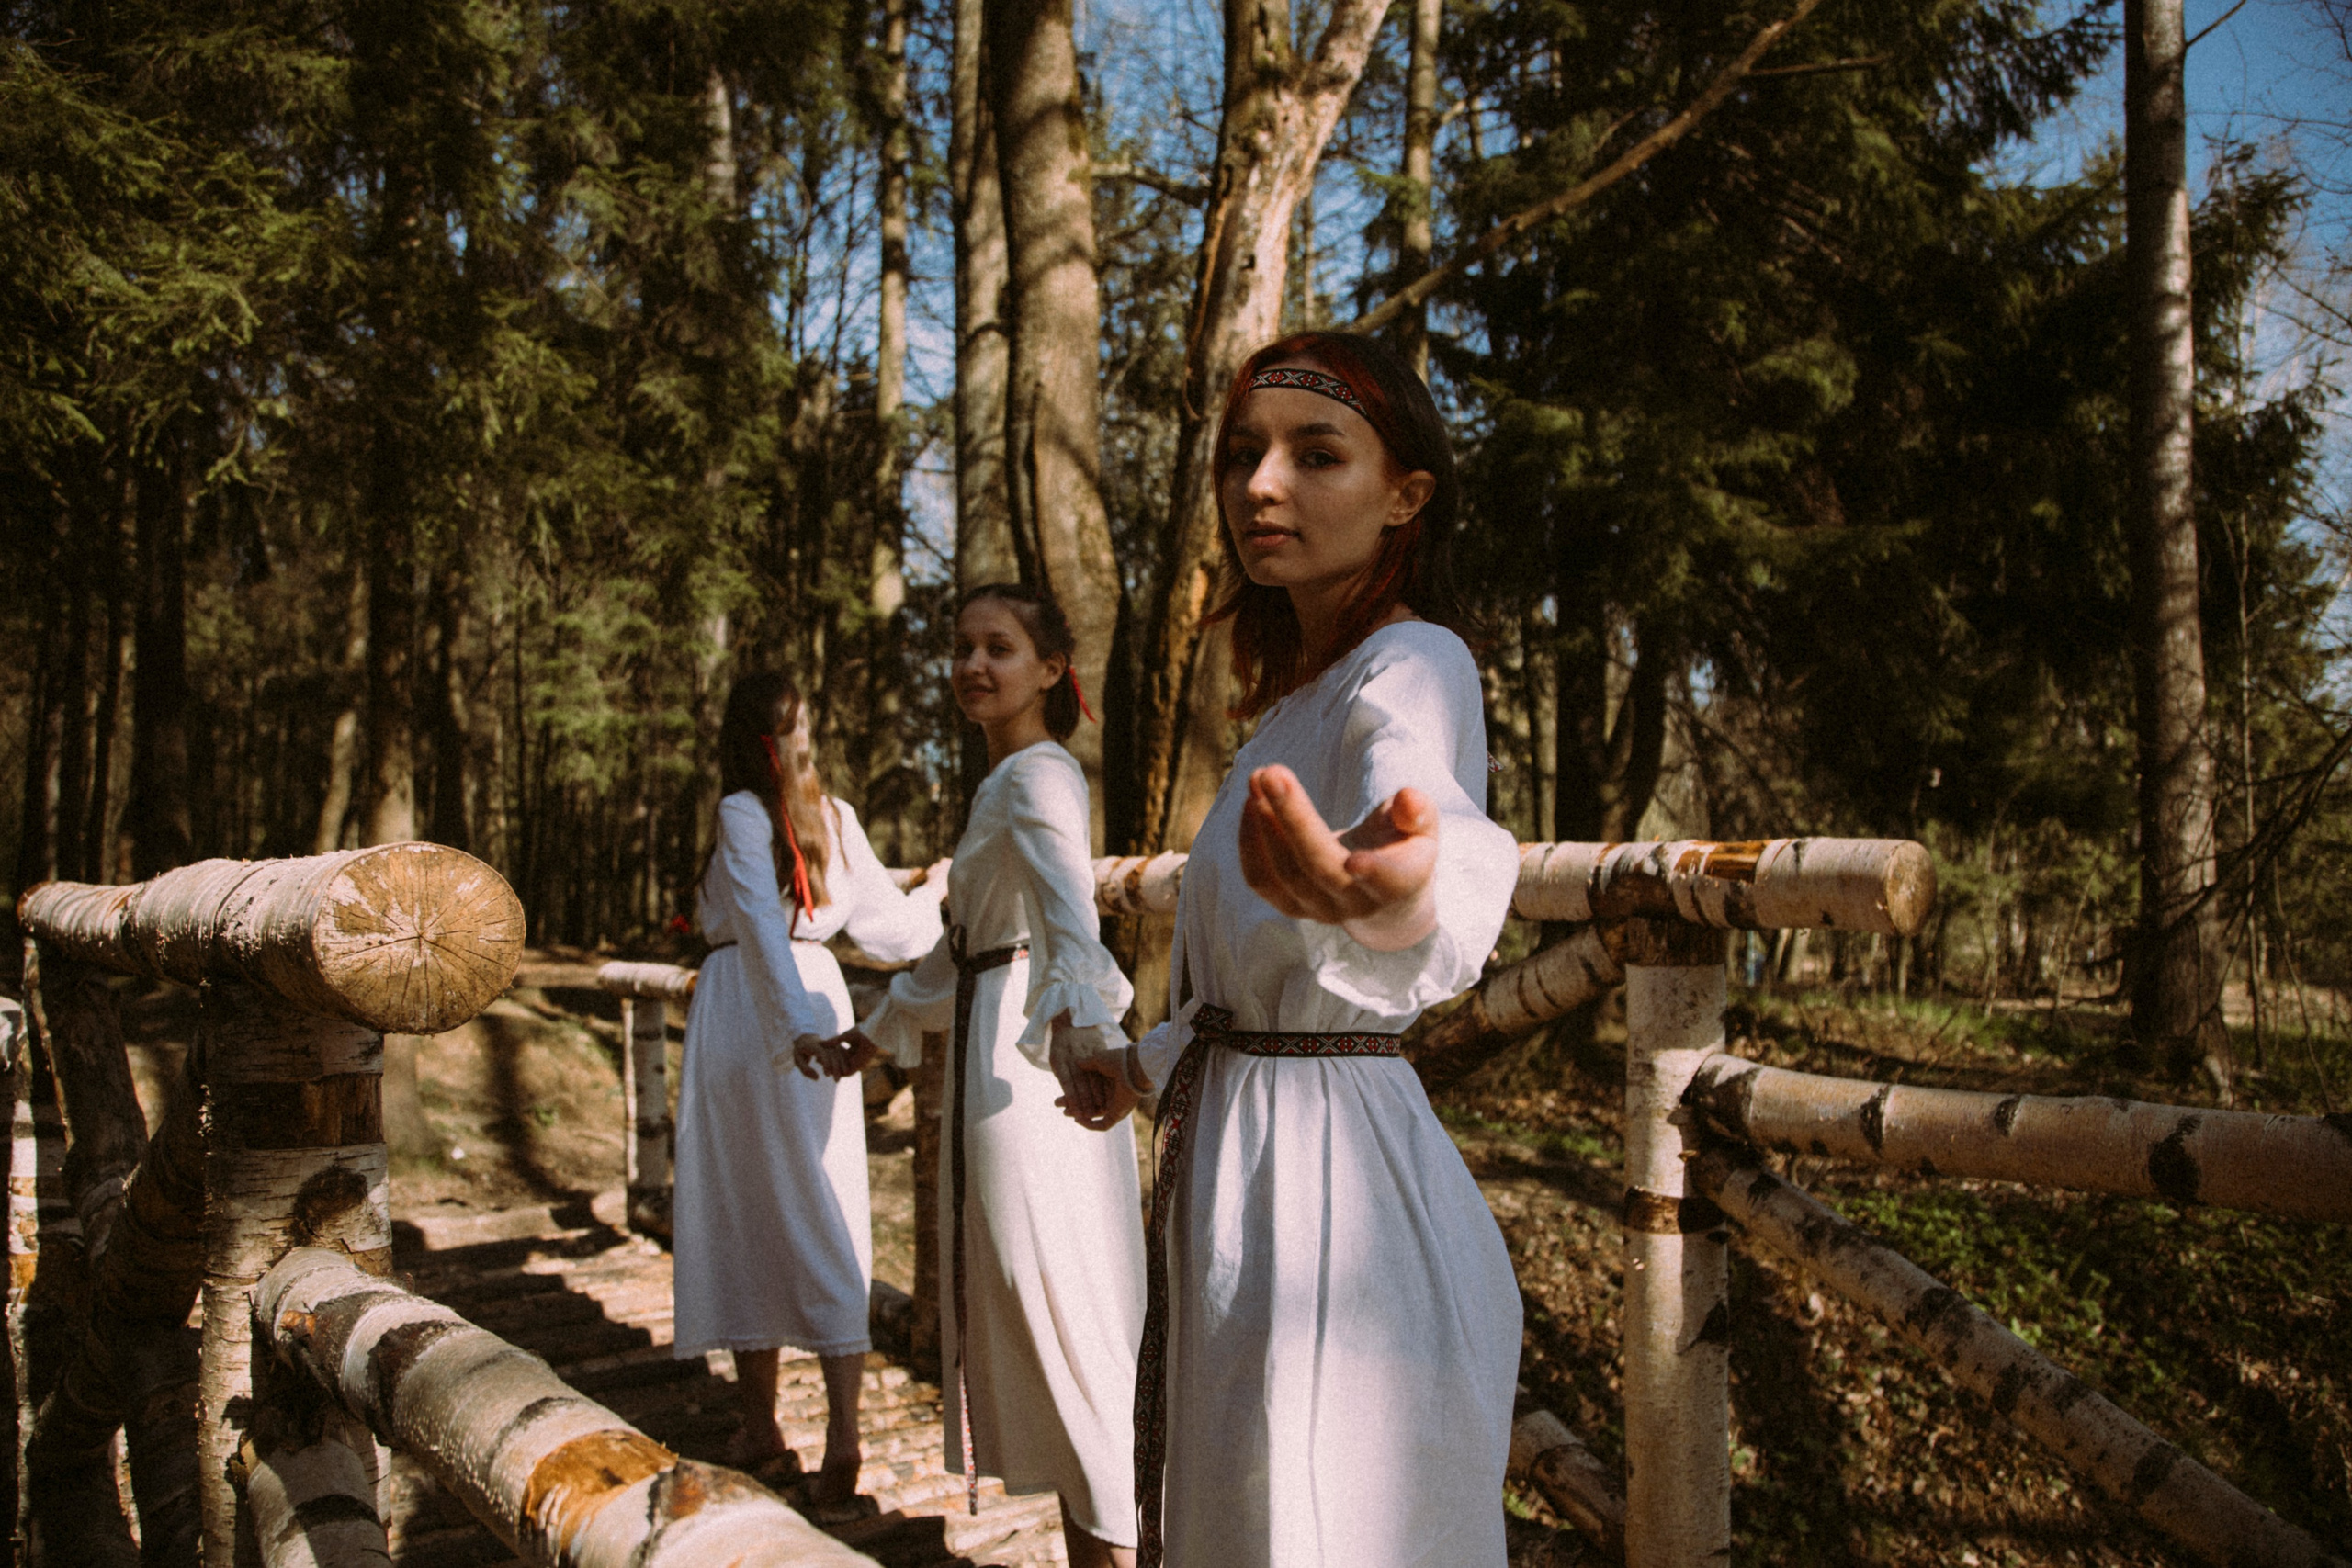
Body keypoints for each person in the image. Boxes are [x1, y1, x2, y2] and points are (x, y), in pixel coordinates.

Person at [1063, 332, 1523, 1567]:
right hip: (1247, 1178)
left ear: (1404, 496)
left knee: (1323, 1519)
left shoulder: (1415, 660)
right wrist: (1141, 1063)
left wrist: (1385, 888)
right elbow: (1252, 1004)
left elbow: (1427, 819)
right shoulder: (1293, 701)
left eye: (1318, 454)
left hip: (1335, 1215)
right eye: (1241, 455)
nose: (1261, 485)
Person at [815, 584, 1146, 1568]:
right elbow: (954, 953)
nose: (971, 666)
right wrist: (870, 1040)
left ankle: (1122, 1543)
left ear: (1050, 670)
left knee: (1066, 1313)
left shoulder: (1040, 775)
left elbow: (1067, 915)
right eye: (961, 648)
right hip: (994, 1037)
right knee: (1044, 1316)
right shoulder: (1005, 781)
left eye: (997, 648)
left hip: (1031, 1070)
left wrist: (1088, 1044)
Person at [673, 671, 946, 1512]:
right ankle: (810, 1432)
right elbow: (889, 931)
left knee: (763, 1209)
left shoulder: (745, 812)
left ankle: (800, 1432)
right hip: (804, 999)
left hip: (753, 1012)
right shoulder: (834, 817)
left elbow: (758, 925)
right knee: (809, 1203)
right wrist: (936, 896)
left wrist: (793, 1030)